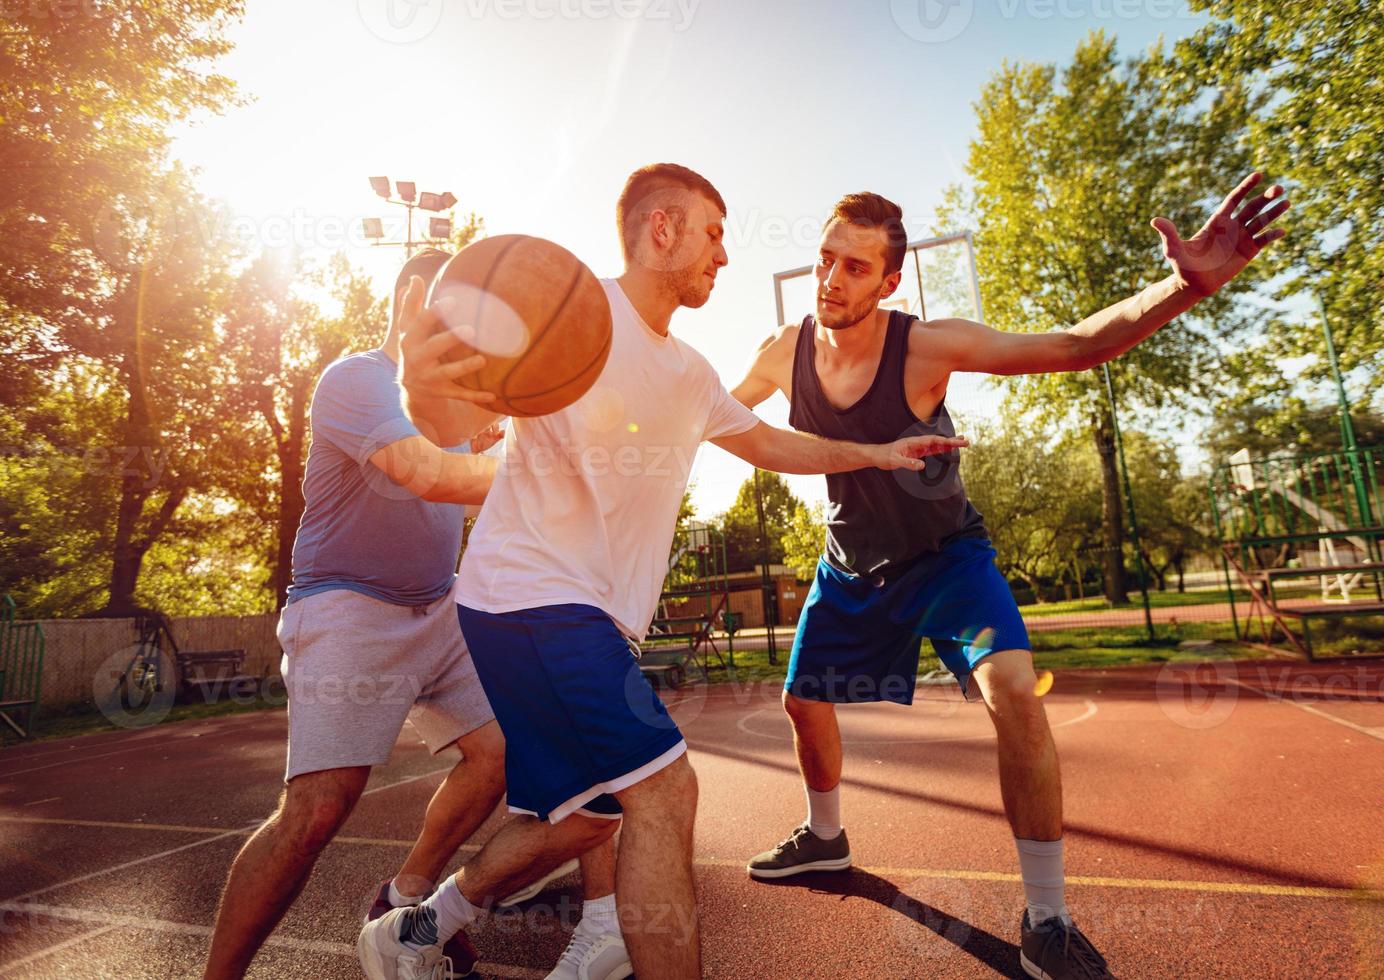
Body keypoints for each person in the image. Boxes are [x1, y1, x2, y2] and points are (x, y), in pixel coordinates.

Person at [356, 163, 967, 980]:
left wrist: (876, 452)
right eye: (714, 235)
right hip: (533, 598)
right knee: (666, 790)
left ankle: (418, 927)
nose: (724, 256)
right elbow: (458, 415)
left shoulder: (688, 372)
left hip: (584, 617)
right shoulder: (565, 314)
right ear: (662, 230)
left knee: (591, 815)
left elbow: (772, 442)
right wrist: (422, 390)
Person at [731, 174, 1289, 980]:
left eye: (854, 268)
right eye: (824, 259)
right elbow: (716, 410)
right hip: (852, 565)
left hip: (948, 558)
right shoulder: (782, 352)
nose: (831, 279)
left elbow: (1070, 347)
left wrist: (1182, 287)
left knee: (1016, 691)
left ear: (889, 282)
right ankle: (825, 839)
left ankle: (1048, 920)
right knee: (802, 703)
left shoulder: (925, 345)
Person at [206, 249, 530, 980]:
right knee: (318, 810)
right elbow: (424, 472)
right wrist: (523, 467)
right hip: (347, 604)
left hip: (438, 607)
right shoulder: (358, 381)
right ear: (414, 297)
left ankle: (404, 896)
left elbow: (489, 471)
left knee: (503, 754)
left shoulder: (456, 402)